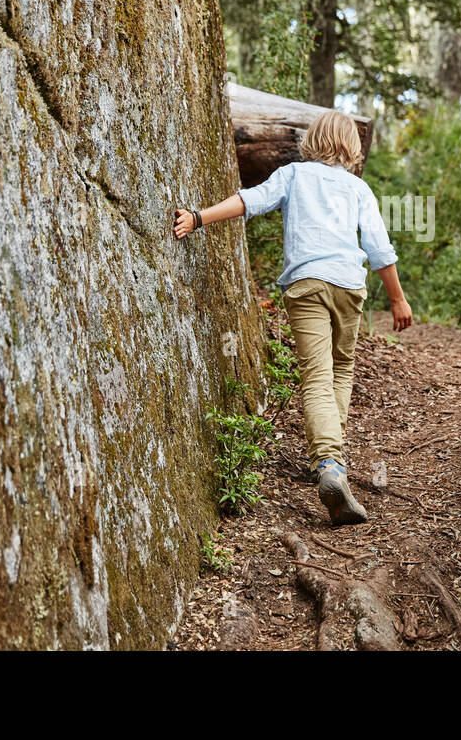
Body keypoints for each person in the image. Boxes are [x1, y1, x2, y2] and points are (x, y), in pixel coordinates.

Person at [173, 111, 413, 525]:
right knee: (341, 368)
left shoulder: (294, 175)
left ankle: (329, 463)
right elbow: (378, 247)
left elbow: (250, 200)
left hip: (306, 285)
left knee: (317, 376)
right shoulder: (358, 188)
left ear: (314, 139)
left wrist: (198, 218)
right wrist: (397, 300)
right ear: (351, 147)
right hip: (349, 288)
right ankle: (330, 457)